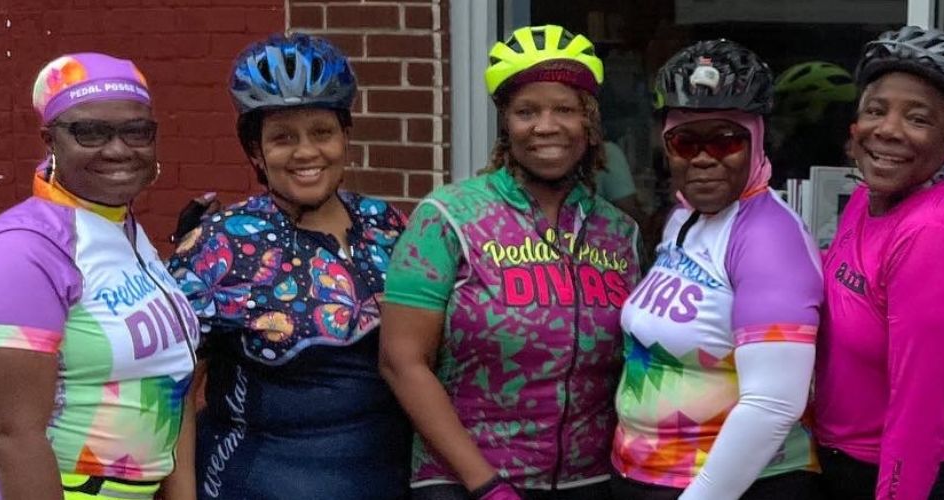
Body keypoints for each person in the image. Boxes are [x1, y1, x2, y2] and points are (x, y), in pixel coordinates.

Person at [380, 24, 642, 500]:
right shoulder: (448, 217)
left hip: (591, 480)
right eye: (527, 111)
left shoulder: (618, 232)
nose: (546, 125)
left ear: (590, 122)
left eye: (564, 109)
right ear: (506, 123)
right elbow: (402, 362)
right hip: (465, 481)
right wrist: (485, 485)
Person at [161, 33, 413, 500]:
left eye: (322, 132)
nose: (305, 152)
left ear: (345, 137)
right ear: (255, 151)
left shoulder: (389, 226)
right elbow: (171, 396)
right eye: (282, 138)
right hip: (254, 484)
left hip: (388, 482)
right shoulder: (218, 245)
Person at [0, 52, 197, 500]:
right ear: (50, 140)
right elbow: (14, 436)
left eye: (137, 131)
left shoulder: (119, 230)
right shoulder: (22, 250)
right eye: (89, 131)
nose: (118, 148)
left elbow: (172, 377)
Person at [608, 40, 824, 500]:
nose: (703, 158)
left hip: (736, 487)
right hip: (651, 475)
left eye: (726, 140)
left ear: (758, 141)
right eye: (684, 141)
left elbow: (773, 404)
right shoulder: (685, 218)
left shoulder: (769, 238)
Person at [812, 26, 944, 500]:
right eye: (876, 110)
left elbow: (919, 416)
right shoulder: (868, 196)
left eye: (918, 118)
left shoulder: (931, 235)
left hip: (932, 476)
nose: (888, 129)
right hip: (853, 462)